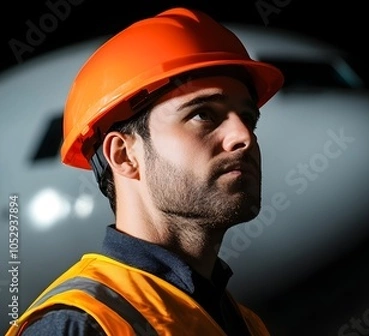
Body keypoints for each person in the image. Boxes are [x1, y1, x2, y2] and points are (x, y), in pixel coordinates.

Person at [6, 7, 283, 336]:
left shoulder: (247, 326)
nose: (244, 136)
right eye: (204, 114)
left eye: (249, 119)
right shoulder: (79, 324)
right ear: (123, 155)